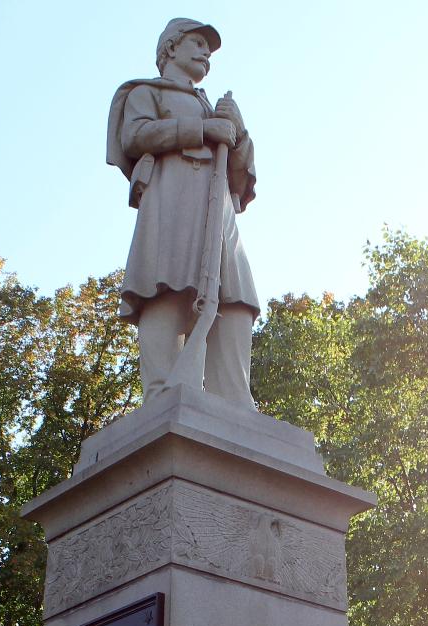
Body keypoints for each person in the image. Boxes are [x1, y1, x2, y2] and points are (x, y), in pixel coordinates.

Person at [107, 18, 259, 407]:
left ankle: (235, 399)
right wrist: (201, 129)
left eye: (207, 46)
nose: (205, 51)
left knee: (236, 300)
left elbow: (239, 179)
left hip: (218, 211)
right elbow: (135, 135)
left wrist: (237, 132)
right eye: (196, 42)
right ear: (170, 48)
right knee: (166, 284)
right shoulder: (145, 92)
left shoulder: (214, 106)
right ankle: (162, 391)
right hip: (172, 198)